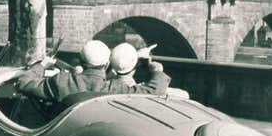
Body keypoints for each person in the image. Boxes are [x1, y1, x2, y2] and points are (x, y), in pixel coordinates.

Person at [17, 40, 170, 103]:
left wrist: (42, 65)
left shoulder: (62, 82)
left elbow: (24, 82)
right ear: (107, 64)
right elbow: (154, 90)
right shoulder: (115, 89)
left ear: (80, 61)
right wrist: (157, 71)